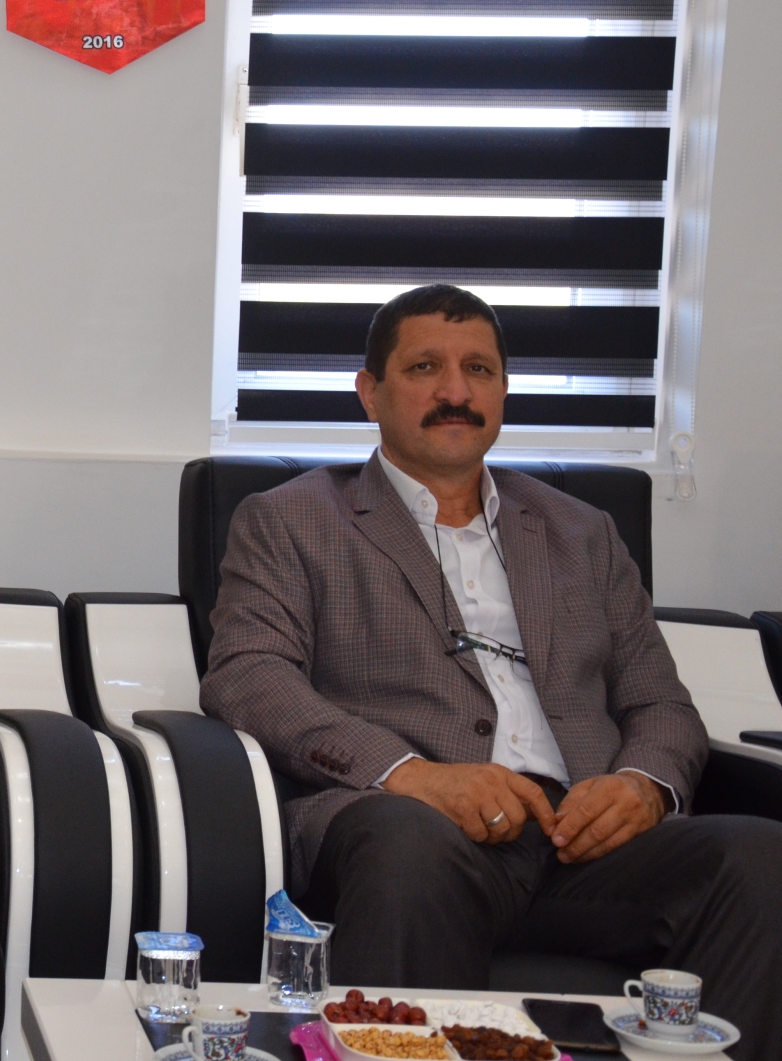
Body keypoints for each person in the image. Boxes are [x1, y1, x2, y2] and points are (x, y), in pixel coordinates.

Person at [200, 284, 782, 1048]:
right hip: (410, 826)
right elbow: (248, 674)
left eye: (479, 370)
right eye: (425, 368)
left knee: (760, 858)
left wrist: (642, 786)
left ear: (503, 390)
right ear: (370, 392)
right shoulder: (291, 520)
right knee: (409, 848)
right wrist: (411, 774)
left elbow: (661, 704)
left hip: (582, 844)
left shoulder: (584, 532)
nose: (456, 392)